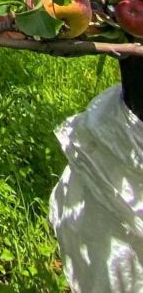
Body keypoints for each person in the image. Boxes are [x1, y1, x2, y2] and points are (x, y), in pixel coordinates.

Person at [49, 56, 143, 292]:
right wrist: (21, 27)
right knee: (110, 257)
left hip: (121, 147)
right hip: (120, 145)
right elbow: (88, 26)